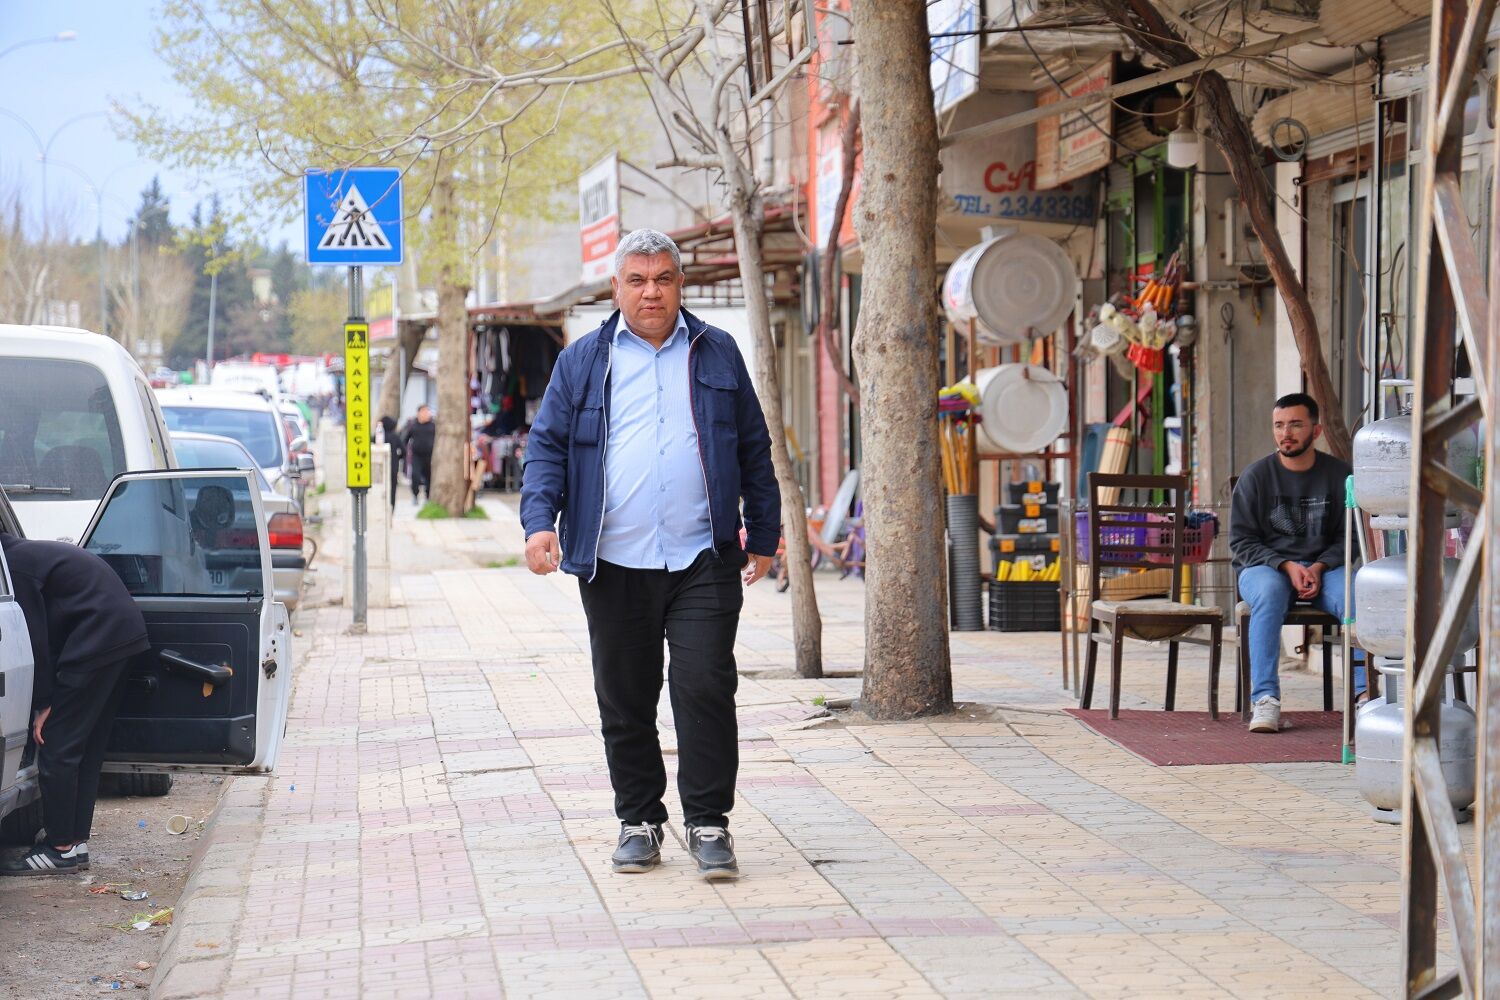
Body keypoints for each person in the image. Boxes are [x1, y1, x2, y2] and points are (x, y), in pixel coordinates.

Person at [520, 228, 778, 880]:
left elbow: (754, 448)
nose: (651, 291)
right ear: (617, 288)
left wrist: (767, 536)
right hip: (613, 562)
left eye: (662, 278)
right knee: (626, 698)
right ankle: (639, 821)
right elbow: (546, 448)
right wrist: (538, 524)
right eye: (637, 280)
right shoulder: (582, 361)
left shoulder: (718, 353)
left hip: (704, 557)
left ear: (679, 283)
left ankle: (708, 822)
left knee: (705, 690)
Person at [0, 532, 151, 875]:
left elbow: (32, 641)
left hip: (98, 639)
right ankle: (73, 839)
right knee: (86, 748)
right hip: (121, 635)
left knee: (57, 745)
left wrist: (45, 703)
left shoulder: (16, 569)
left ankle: (60, 848)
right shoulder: (29, 554)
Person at [1231, 392, 1364, 734]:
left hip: (1325, 568)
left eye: (1295, 424)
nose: (1285, 433)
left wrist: (1318, 567)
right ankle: (1265, 700)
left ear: (1316, 430)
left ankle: (1366, 695)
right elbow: (1242, 542)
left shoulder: (1339, 475)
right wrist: (1285, 565)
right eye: (1278, 425)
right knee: (1270, 594)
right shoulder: (1256, 477)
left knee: (1357, 597)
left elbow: (1348, 537)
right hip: (1265, 568)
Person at [401, 404, 436, 504]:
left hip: (430, 455)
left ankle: (428, 496)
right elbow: (405, 439)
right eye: (423, 412)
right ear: (419, 413)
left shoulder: (433, 425)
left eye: (427, 412)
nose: (426, 414)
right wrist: (404, 452)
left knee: (429, 477)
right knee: (415, 476)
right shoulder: (413, 425)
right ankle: (415, 495)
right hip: (416, 455)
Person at [376, 415, 403, 511]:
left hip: (378, 468)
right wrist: (397, 458)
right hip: (393, 467)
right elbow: (403, 451)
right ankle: (391, 508)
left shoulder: (376, 436)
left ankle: (380, 508)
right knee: (392, 489)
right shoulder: (395, 437)